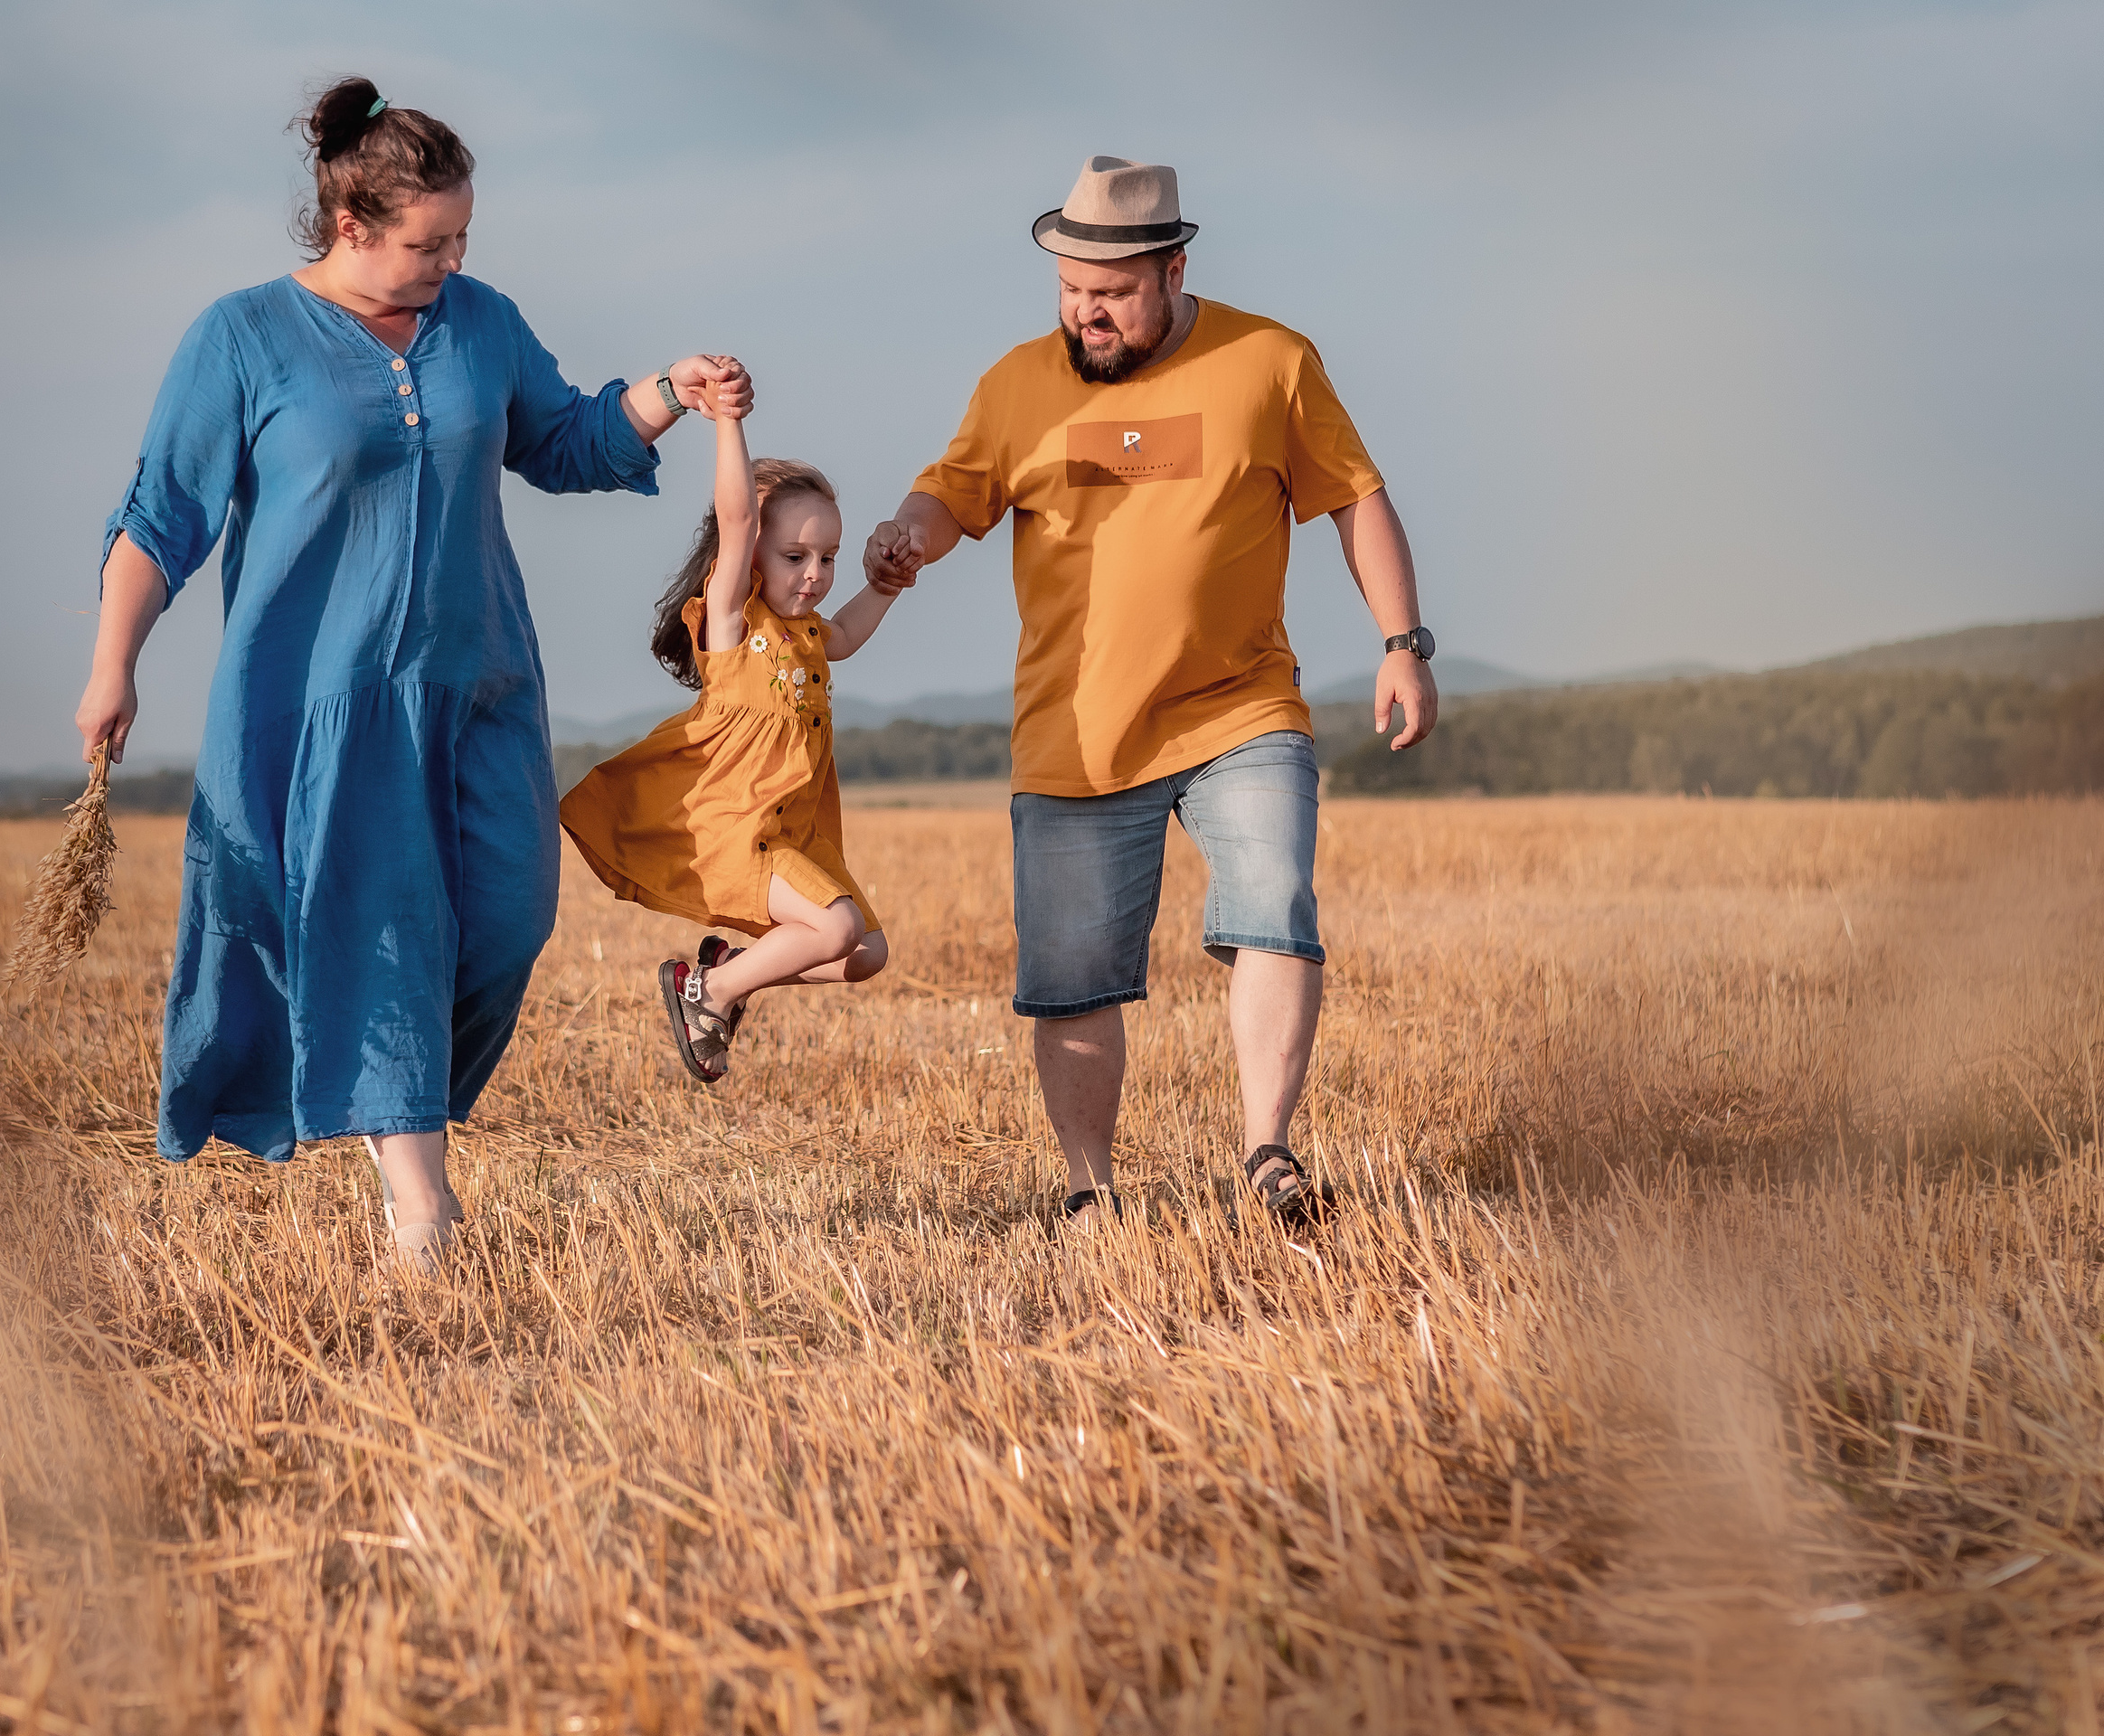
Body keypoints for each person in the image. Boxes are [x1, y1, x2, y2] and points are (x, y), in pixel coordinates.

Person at [74, 77, 751, 1272]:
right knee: (383, 931)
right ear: (351, 227)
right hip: (324, 707)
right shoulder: (241, 338)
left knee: (507, 920)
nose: (450, 261)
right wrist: (112, 668)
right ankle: (420, 1211)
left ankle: (369, 1081)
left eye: (462, 239)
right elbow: (157, 520)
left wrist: (663, 396)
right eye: (427, 243)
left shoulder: (478, 322)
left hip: (483, 684)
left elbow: (561, 439)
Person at [864, 156, 1440, 1228]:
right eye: (1073, 289)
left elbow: (1355, 499)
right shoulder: (1014, 386)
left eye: (1114, 293)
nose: (1088, 311)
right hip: (1076, 734)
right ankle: (1091, 1191)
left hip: (1241, 706)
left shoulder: (1269, 361)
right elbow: (951, 494)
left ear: (1174, 271)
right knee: (1073, 978)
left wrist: (1402, 642)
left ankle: (1267, 1152)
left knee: (1276, 906)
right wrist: (908, 538)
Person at [559, 389, 893, 1083]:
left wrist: (886, 585)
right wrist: (728, 423)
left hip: (788, 832)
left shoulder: (806, 635)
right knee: (833, 929)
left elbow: (852, 636)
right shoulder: (732, 627)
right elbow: (738, 519)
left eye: (827, 558)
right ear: (750, 559)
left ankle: (727, 972)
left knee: (864, 954)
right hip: (736, 828)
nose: (815, 574)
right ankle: (708, 994)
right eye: (795, 555)